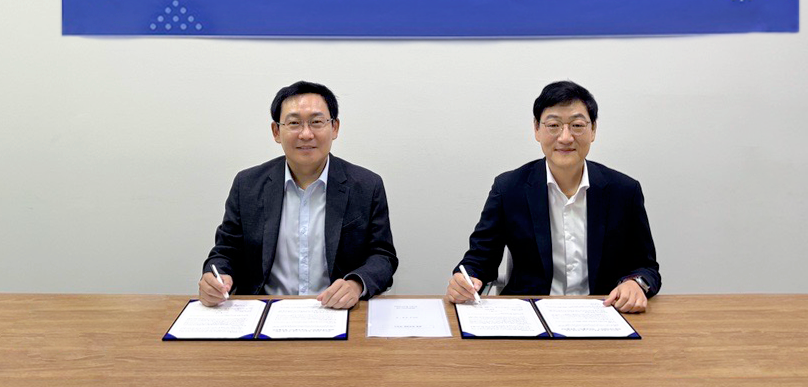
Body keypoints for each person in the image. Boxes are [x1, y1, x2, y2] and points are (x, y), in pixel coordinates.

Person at [446, 80, 660, 313]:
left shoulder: (624, 191)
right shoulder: (509, 189)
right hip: (530, 314)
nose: (565, 137)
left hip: (604, 313)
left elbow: (646, 267)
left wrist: (636, 284)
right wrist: (465, 279)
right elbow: (479, 261)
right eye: (554, 125)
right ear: (537, 129)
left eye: (577, 125)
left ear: (593, 130)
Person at [199, 81, 398, 309]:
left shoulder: (366, 185)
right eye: (294, 123)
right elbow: (225, 252)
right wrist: (216, 278)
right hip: (265, 310)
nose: (306, 134)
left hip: (337, 311)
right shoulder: (247, 185)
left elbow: (383, 256)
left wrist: (355, 284)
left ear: (334, 128)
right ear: (276, 131)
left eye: (316, 122)